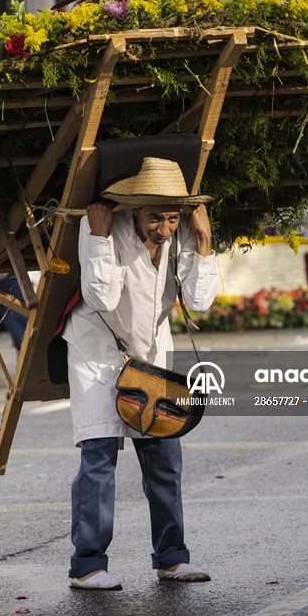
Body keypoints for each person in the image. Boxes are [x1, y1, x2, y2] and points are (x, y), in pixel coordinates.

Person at [62, 156, 217, 590]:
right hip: (97, 353)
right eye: (154, 218)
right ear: (134, 210)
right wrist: (96, 237)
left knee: (164, 457)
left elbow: (201, 301)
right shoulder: (102, 227)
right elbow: (101, 297)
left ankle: (171, 558)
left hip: (151, 356)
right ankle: (88, 565)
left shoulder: (184, 232)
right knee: (98, 457)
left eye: (172, 218)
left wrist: (203, 238)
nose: (163, 229)